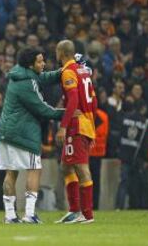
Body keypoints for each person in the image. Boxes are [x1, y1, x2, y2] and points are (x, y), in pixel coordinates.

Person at [0, 47, 65, 224]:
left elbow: (46, 76)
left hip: (6, 132)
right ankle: (30, 214)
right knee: (34, 169)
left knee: (11, 172)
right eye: (40, 61)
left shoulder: (21, 74)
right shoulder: (27, 83)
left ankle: (10, 215)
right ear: (30, 64)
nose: (44, 64)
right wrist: (68, 112)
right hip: (22, 133)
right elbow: (43, 109)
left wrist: (65, 70)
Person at [55, 40, 97, 224]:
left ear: (61, 52)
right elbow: (93, 100)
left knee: (81, 167)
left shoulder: (69, 71)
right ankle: (74, 211)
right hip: (85, 123)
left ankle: (87, 215)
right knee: (66, 165)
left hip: (77, 126)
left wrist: (63, 126)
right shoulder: (83, 70)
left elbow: (72, 99)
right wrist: (91, 125)